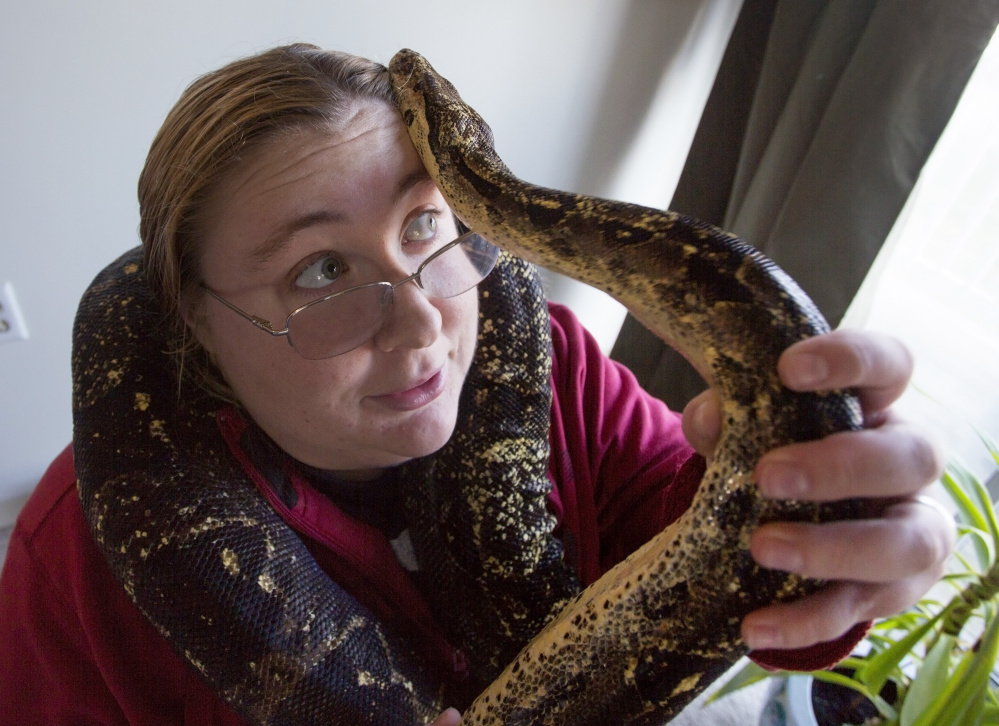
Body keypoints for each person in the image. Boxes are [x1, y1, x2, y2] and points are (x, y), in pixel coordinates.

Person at [0, 44, 954, 725]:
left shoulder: (558, 364)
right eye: (320, 272)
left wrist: (832, 539)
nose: (421, 321)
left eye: (423, 228)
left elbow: (692, 546)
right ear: (194, 323)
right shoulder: (73, 555)